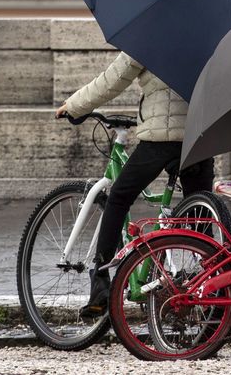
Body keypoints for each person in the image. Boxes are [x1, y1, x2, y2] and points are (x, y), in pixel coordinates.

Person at [55, 53, 214, 317]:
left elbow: (112, 80)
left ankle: (101, 281)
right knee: (202, 216)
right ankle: (215, 289)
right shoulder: (211, 30)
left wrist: (73, 106)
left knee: (118, 196)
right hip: (200, 136)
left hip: (160, 138)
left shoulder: (149, 32)